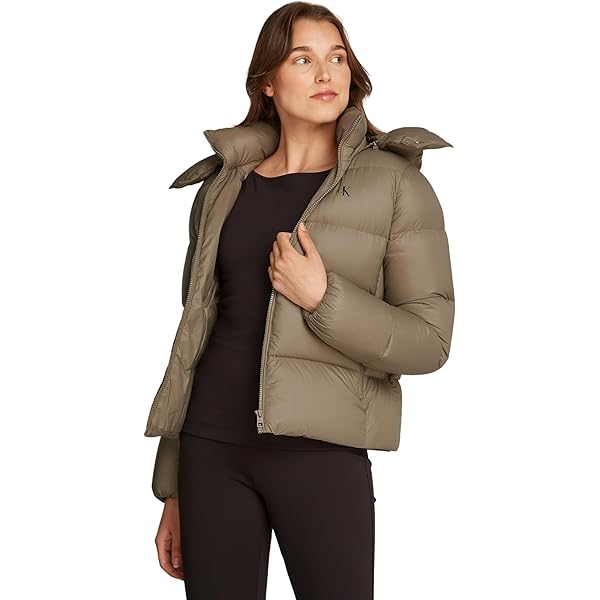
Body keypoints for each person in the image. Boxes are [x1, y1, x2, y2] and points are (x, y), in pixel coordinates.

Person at [147, 2, 455, 599]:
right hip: (210, 452)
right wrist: (172, 487)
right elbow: (193, 339)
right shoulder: (222, 187)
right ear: (267, 81)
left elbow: (430, 341)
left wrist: (323, 298)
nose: (325, 73)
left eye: (337, 58)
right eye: (303, 59)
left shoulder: (398, 186)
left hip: (322, 455)